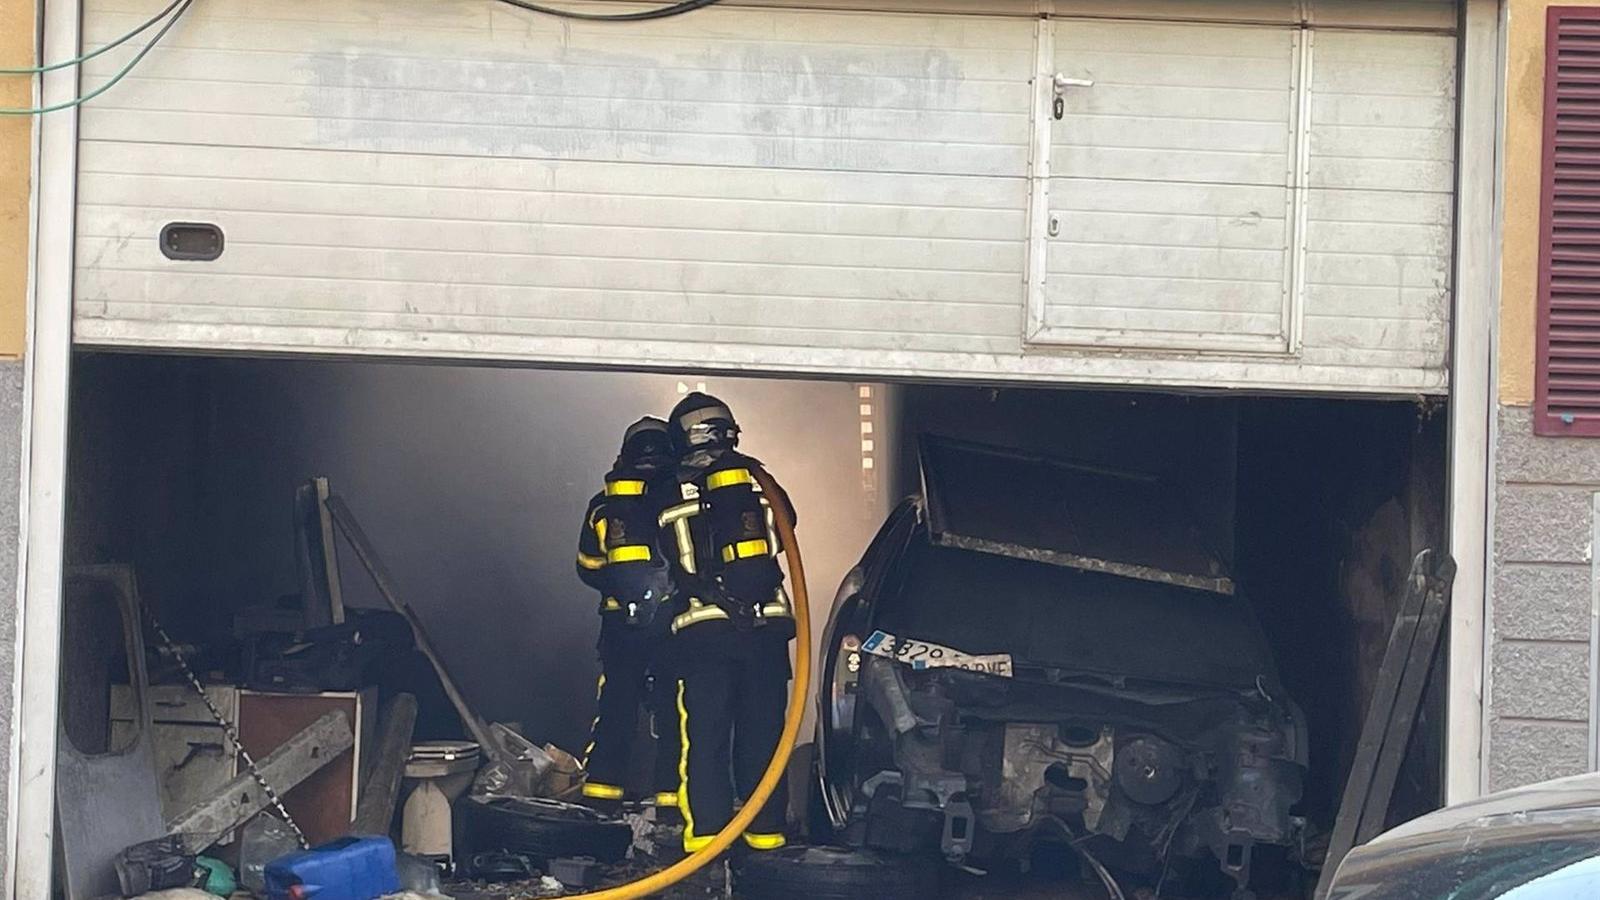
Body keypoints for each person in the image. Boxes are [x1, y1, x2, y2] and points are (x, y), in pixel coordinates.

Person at [659, 392, 795, 853]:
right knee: (765, 737)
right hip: (767, 629)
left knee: (706, 738)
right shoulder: (758, 479)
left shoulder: (668, 485)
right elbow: (786, 531)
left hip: (705, 632)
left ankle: (705, 840)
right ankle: (766, 834)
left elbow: (658, 554)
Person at [575, 416, 683, 820]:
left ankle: (601, 800)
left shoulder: (605, 505)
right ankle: (672, 806)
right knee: (675, 711)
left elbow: (587, 565)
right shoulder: (684, 498)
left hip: (622, 629)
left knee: (617, 709)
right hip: (674, 626)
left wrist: (623, 590)